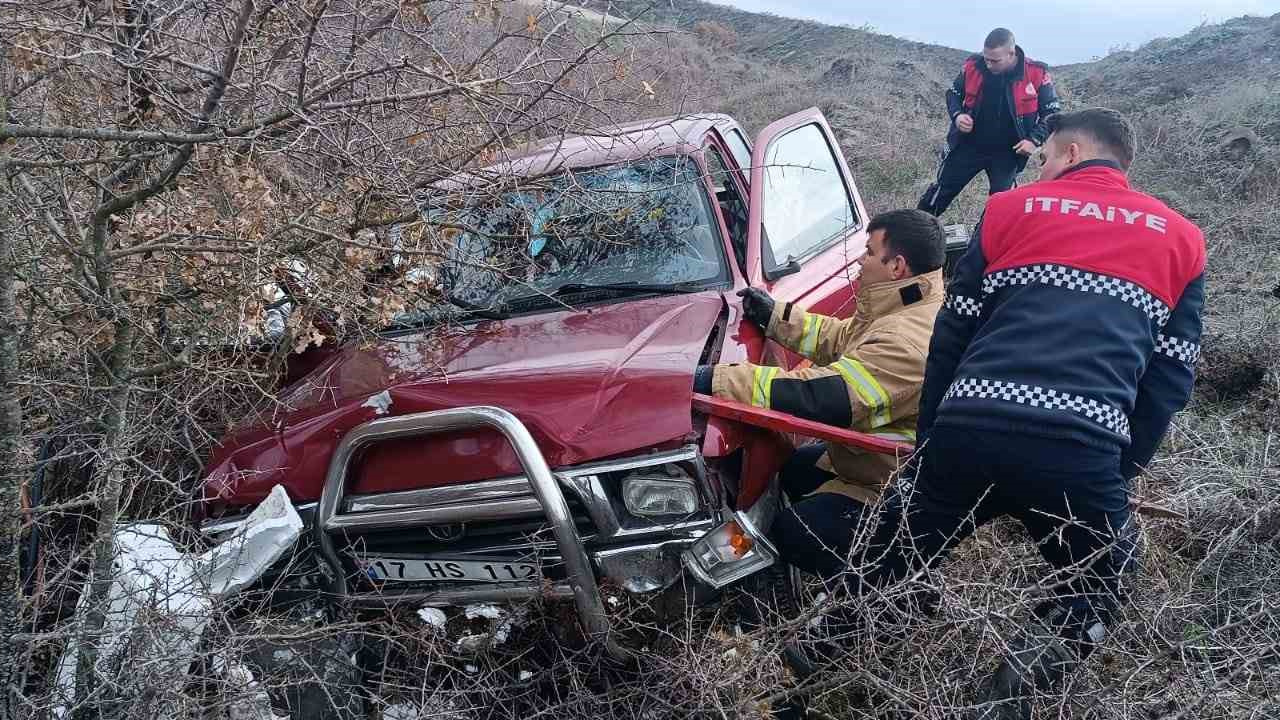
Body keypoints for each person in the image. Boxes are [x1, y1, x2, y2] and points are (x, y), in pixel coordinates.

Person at [851, 108, 1205, 719]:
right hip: (1082, 449)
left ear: (1068, 155)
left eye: (1043, 158)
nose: (1038, 167)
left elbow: (951, 335)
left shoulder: (1009, 210)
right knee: (1101, 581)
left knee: (890, 552)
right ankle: (1005, 704)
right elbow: (1171, 376)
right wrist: (1122, 465)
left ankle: (817, 658)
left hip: (969, 427)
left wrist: (931, 439)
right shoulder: (1184, 240)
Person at [691, 209, 946, 582]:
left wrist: (714, 380)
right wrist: (776, 316)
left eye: (870, 252)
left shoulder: (908, 340)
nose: (860, 261)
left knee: (796, 531)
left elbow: (823, 397)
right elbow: (842, 340)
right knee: (792, 468)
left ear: (897, 267)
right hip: (871, 465)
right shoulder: (906, 304)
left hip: (897, 488)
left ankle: (869, 602)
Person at [917, 28, 1061, 217]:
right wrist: (958, 115)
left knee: (999, 206)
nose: (989, 64)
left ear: (1011, 53)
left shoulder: (1036, 72)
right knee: (940, 192)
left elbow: (1051, 112)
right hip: (967, 146)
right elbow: (953, 93)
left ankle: (983, 242)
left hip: (1008, 153)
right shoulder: (973, 66)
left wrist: (1034, 140)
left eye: (995, 60)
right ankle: (912, 233)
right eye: (986, 59)